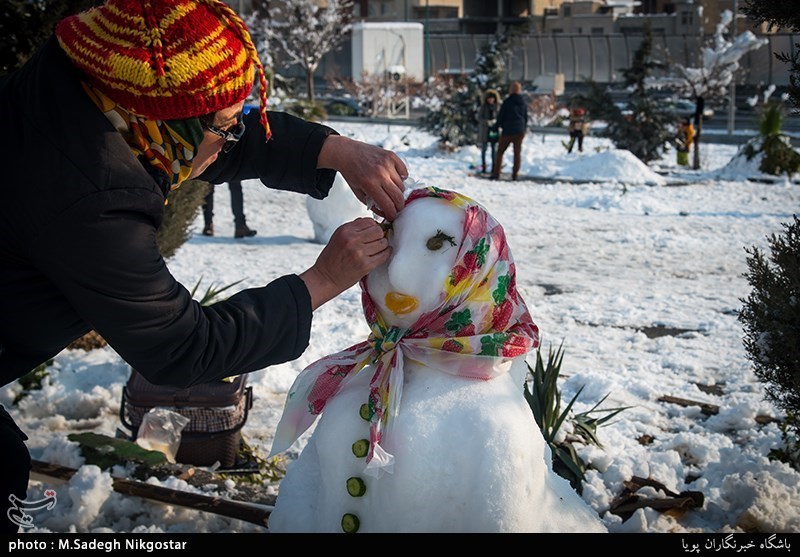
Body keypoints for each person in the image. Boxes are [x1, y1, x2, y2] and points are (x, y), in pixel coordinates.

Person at [0, 0, 407, 532]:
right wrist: (322, 280)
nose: (234, 136)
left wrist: (334, 149)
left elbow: (213, 137)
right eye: (225, 126)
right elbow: (182, 344)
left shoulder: (85, 89)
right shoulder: (92, 196)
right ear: (165, 124)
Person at [491, 81, 528, 181]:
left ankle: (496, 173)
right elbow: (525, 116)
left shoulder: (507, 102)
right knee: (517, 153)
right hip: (520, 130)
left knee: (500, 152)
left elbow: (501, 116)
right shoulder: (523, 102)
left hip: (508, 130)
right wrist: (524, 128)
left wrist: (496, 127)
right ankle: (515, 174)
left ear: (511, 90)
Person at [476, 89, 500, 175]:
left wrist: (496, 122)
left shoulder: (497, 107)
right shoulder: (483, 107)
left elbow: (499, 117)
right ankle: (484, 166)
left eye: (492, 99)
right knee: (484, 149)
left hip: (494, 130)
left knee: (494, 149)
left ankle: (494, 166)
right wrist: (487, 122)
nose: (491, 100)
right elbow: (479, 118)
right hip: (485, 131)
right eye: (489, 99)